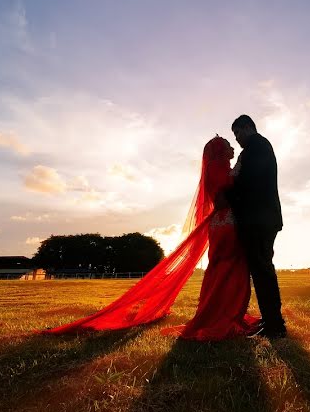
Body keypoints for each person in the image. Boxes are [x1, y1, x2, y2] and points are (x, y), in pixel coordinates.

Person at [42, 136, 259, 340]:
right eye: (228, 146)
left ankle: (222, 313)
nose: (232, 148)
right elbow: (230, 187)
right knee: (230, 269)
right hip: (227, 224)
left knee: (222, 269)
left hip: (220, 225)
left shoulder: (215, 168)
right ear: (220, 151)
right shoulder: (220, 168)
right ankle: (224, 317)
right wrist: (241, 164)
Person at [224, 114, 286, 339]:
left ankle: (275, 325)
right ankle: (271, 320)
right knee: (262, 269)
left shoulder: (258, 146)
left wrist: (226, 193)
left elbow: (249, 183)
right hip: (262, 218)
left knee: (262, 270)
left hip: (259, 219)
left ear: (248, 127)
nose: (237, 138)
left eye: (238, 132)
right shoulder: (254, 148)